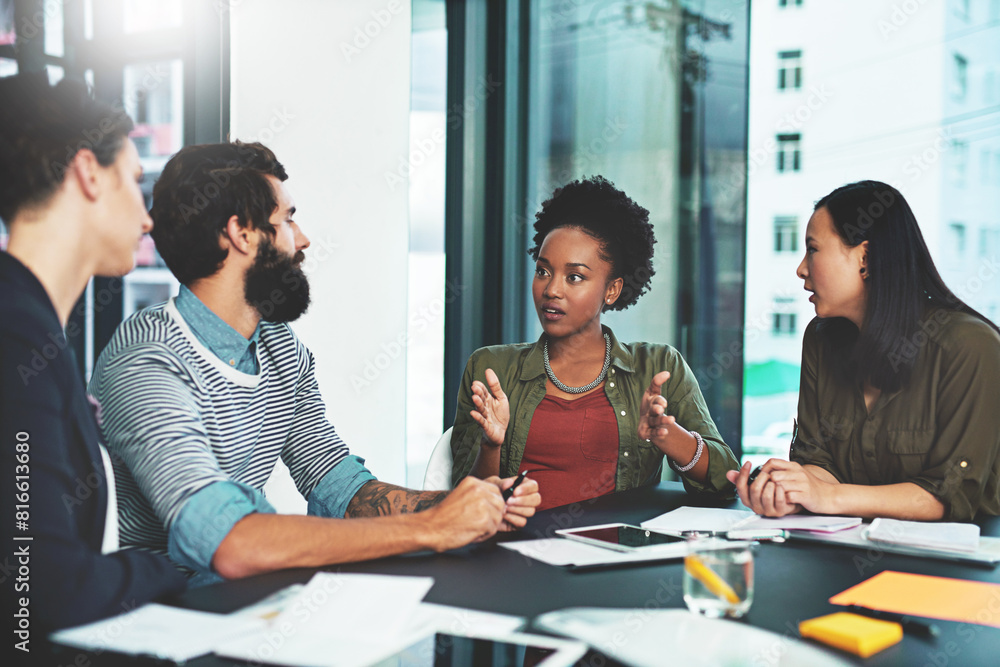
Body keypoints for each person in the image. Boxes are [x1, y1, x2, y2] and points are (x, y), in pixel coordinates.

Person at [86, 141, 539, 585]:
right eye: (288, 219)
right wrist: (432, 528)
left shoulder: (280, 348)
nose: (303, 240)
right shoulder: (147, 362)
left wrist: (460, 508)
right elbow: (226, 540)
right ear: (241, 233)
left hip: (248, 606)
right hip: (160, 620)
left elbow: (338, 484)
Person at [0, 74, 187, 636]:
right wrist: (169, 570)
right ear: (87, 171)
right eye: (134, 181)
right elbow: (42, 587)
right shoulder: (16, 337)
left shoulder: (31, 328)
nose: (147, 217)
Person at [451, 176, 738, 509]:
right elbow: (462, 503)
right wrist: (491, 445)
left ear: (612, 290)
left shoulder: (658, 367)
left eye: (574, 277)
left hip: (614, 557)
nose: (551, 290)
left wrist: (670, 437)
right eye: (543, 271)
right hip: (515, 552)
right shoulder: (491, 369)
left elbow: (726, 480)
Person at [728, 180, 1000, 522]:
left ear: (865, 259)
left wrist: (827, 495)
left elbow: (949, 494)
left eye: (812, 249)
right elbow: (818, 464)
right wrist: (790, 493)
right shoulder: (820, 338)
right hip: (843, 552)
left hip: (956, 566)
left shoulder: (970, 346)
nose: (801, 269)